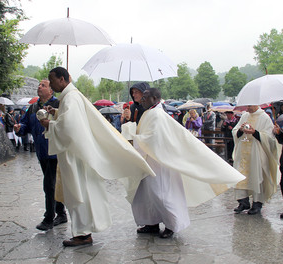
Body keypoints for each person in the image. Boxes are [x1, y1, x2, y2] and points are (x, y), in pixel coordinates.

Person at [44, 67, 155, 247]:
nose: (50, 84)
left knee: (77, 193)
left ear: (62, 79)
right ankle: (83, 231)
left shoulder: (71, 97)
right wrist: (56, 114)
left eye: (52, 79)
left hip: (75, 155)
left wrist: (50, 124)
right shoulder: (70, 97)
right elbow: (71, 120)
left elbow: (70, 127)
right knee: (82, 192)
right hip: (77, 153)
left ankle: (82, 234)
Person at [127, 88, 245, 239]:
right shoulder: (149, 113)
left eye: (145, 97)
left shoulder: (158, 114)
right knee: (147, 195)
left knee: (162, 194)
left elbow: (153, 138)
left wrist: (135, 140)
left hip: (161, 162)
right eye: (141, 97)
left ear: (156, 98)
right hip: (149, 159)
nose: (142, 100)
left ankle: (172, 225)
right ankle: (152, 223)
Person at [14, 79, 67, 231]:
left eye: (43, 85)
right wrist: (19, 128)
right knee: (53, 184)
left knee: (49, 185)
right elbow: (26, 125)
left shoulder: (57, 105)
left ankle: (49, 218)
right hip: (41, 151)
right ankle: (61, 213)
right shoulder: (33, 107)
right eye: (39, 85)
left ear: (51, 90)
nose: (39, 87)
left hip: (54, 151)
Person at [232, 105, 280, 215]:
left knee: (257, 176)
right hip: (243, 152)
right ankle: (243, 202)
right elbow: (235, 130)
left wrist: (254, 132)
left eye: (249, 106)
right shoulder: (245, 116)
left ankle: (257, 204)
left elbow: (270, 138)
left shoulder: (264, 118)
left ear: (255, 104)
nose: (247, 108)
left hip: (257, 153)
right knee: (240, 176)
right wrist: (240, 130)